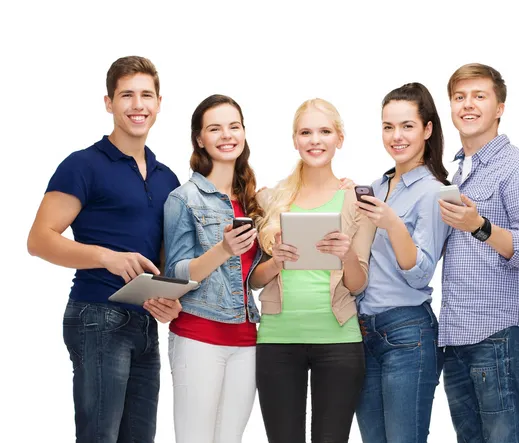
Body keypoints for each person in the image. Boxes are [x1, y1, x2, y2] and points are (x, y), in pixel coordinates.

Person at [26, 56, 182, 443]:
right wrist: (107, 257)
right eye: (126, 95)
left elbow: (162, 259)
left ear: (159, 103)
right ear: (109, 103)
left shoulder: (168, 178)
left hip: (145, 324)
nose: (137, 105)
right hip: (98, 317)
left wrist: (169, 298)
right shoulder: (83, 165)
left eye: (146, 95)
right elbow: (39, 239)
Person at [250, 98, 374, 443]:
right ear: (294, 139)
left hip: (338, 340)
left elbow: (358, 282)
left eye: (324, 131)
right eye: (306, 132)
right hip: (278, 339)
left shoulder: (355, 200)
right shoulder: (272, 199)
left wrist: (346, 254)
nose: (315, 140)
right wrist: (276, 261)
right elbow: (255, 281)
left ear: (340, 138)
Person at [438, 63, 519, 443]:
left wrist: (479, 226)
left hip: (497, 331)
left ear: (499, 107)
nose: (467, 105)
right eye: (459, 97)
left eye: (479, 96)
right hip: (455, 335)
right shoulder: (455, 175)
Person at [353, 83, 451, 443]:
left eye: (407, 126)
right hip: (364, 330)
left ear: (427, 130)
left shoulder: (435, 191)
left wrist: (393, 224)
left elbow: (421, 273)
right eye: (388, 126)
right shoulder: (377, 186)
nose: (397, 136)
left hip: (408, 332)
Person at [163, 94, 263, 443]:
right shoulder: (184, 198)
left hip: (248, 339)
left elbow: (256, 277)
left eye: (234, 126)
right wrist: (223, 249)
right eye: (215, 128)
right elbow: (174, 274)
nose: (226, 135)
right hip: (198, 336)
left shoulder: (252, 199)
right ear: (199, 139)